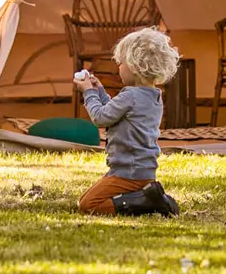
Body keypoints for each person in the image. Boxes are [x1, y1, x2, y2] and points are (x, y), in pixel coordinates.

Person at [75, 27, 181, 217]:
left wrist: (88, 92)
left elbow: (101, 117)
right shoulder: (153, 95)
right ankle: (148, 196)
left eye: (121, 63)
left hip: (127, 173)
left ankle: (148, 203)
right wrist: (100, 91)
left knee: (88, 205)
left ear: (135, 66)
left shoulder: (130, 95)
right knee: (88, 198)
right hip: (145, 172)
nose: (119, 67)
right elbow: (115, 115)